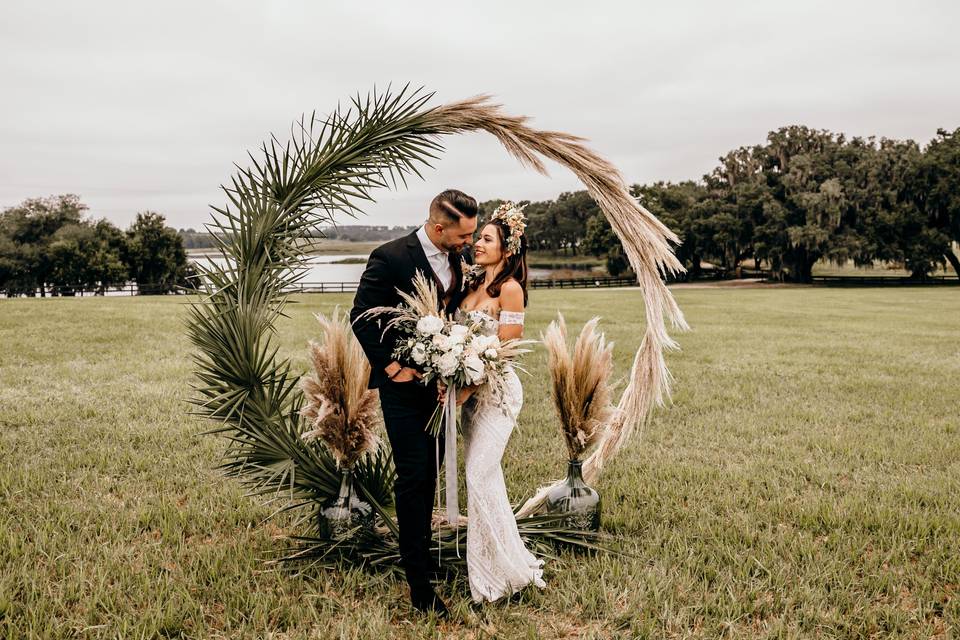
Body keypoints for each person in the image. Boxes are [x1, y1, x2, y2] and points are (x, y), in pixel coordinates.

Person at [350, 188, 478, 617]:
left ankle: (423, 557)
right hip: (403, 389)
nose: (469, 244)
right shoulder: (390, 256)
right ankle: (419, 586)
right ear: (438, 227)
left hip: (441, 387)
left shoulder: (460, 260)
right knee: (413, 478)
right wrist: (390, 368)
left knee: (432, 474)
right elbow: (361, 315)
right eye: (463, 236)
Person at [442, 201, 546, 603]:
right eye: (478, 238)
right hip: (468, 396)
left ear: (507, 248)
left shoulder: (510, 289)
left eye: (487, 239)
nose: (478, 244)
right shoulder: (469, 285)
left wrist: (468, 386)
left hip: (497, 394)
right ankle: (504, 562)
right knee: (487, 478)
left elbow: (509, 348)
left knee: (478, 474)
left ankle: (490, 581)